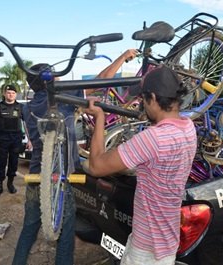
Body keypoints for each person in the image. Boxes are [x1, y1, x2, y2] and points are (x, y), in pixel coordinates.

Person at [12, 49, 138, 265]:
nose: (60, 78)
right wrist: (123, 57)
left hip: (36, 176)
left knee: (29, 229)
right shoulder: (64, 98)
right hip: (60, 179)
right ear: (51, 80)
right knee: (65, 235)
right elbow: (103, 79)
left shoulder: (28, 107)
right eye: (56, 76)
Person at [83, 65, 197, 265]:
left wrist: (99, 118)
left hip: (147, 250)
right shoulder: (188, 128)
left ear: (153, 98)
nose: (142, 105)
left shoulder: (153, 139)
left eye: (144, 100)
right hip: (166, 243)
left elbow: (96, 167)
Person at [0, 84, 31, 198]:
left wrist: (30, 140)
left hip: (16, 139)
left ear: (15, 94)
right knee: (1, 163)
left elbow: (26, 124)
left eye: (12, 93)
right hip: (2, 139)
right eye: (8, 93)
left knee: (14, 162)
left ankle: (10, 183)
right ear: (4, 94)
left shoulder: (21, 107)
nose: (10, 95)